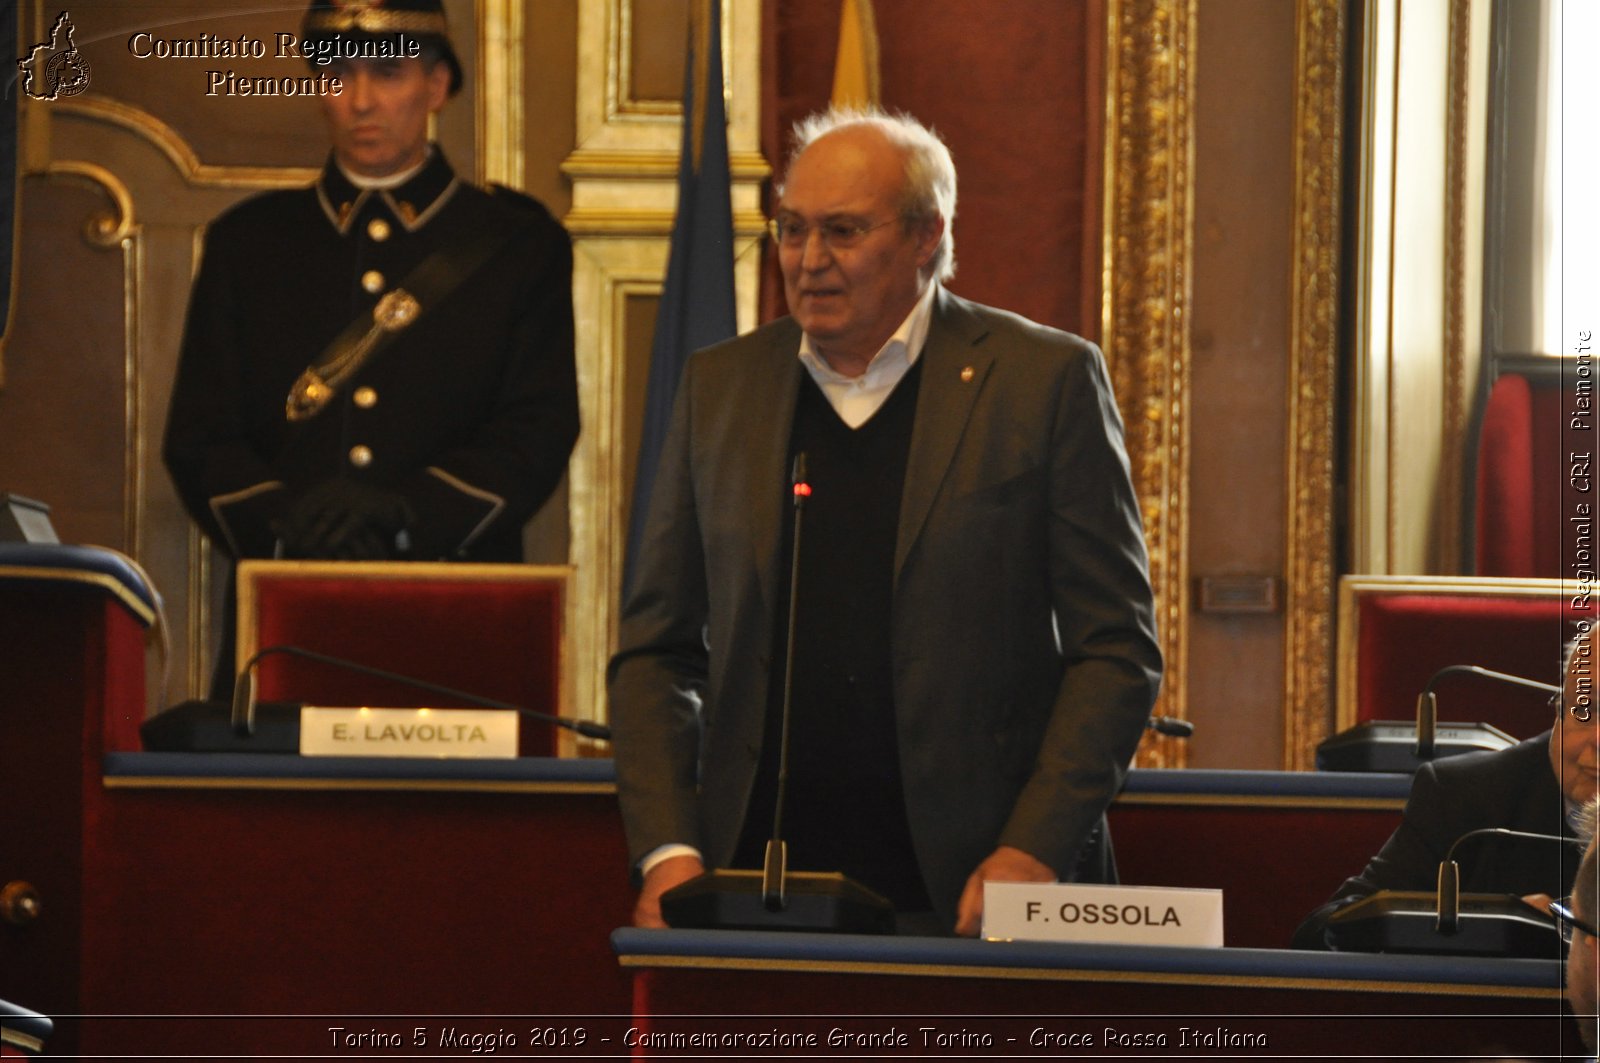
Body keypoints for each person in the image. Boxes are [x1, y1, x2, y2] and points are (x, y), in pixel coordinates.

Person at [609, 107, 1162, 936]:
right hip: (750, 884)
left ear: (926, 236)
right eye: (791, 229)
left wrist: (1035, 848)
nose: (809, 260)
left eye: (842, 230)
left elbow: (1116, 650)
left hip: (977, 886)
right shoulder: (723, 388)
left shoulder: (1042, 383)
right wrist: (668, 851)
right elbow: (657, 649)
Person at [163, 0, 578, 690]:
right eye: (335, 73)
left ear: (438, 85)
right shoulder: (249, 243)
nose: (359, 99)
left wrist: (410, 516)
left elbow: (536, 429)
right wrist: (286, 527)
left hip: (456, 623)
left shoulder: (515, 245)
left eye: (387, 72)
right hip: (285, 630)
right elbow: (202, 438)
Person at [1294, 624, 1598, 948]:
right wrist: (1491, 924)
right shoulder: (1468, 793)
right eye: (1586, 710)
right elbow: (1324, 932)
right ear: (1558, 709)